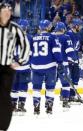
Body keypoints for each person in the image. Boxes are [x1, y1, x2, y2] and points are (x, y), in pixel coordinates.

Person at [0, 2, 30, 131]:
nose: (7, 12)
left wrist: (20, 61)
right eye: (4, 10)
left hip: (7, 68)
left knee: (5, 97)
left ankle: (2, 126)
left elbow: (25, 45)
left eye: (9, 10)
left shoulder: (15, 28)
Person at [31, 19, 64, 115]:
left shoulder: (34, 37)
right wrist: (60, 62)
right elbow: (56, 51)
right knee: (50, 87)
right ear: (48, 27)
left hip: (36, 66)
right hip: (50, 67)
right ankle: (49, 107)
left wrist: (31, 63)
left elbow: (30, 53)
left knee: (36, 88)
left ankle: (36, 108)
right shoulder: (52, 37)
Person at [53, 22, 76, 109]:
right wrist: (72, 59)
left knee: (50, 85)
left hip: (52, 65)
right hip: (63, 65)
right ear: (63, 29)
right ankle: (65, 101)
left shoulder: (51, 37)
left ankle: (48, 102)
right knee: (66, 84)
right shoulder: (66, 37)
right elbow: (70, 51)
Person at [11, 19, 32, 115]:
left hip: (14, 67)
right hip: (25, 67)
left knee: (14, 87)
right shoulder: (30, 37)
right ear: (26, 27)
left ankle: (13, 105)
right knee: (23, 87)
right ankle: (21, 105)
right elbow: (32, 53)